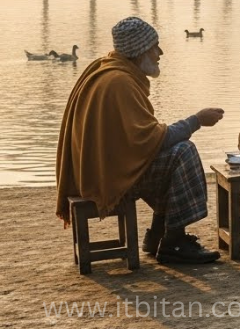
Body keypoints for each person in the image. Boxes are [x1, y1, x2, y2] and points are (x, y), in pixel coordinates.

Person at [55, 16, 225, 265]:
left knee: (176, 152)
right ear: (138, 52)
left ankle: (158, 234)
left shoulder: (106, 68)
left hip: (98, 169)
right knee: (183, 152)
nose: (160, 53)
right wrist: (196, 120)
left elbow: (138, 138)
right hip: (106, 177)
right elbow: (151, 139)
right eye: (155, 47)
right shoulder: (119, 82)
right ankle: (173, 242)